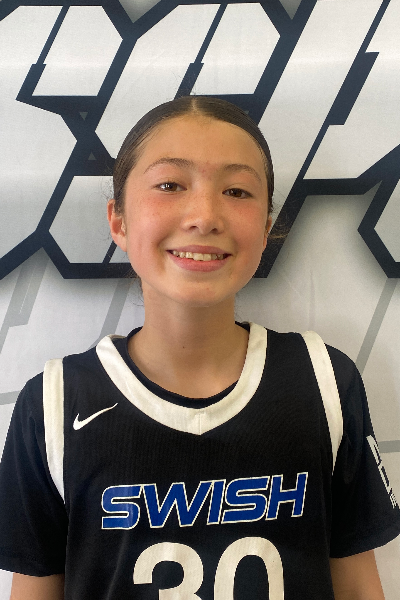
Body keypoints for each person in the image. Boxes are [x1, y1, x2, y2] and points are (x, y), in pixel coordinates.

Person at [0, 96, 399, 600]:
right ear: (119, 220)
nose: (205, 215)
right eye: (170, 185)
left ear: (267, 228)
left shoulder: (324, 382)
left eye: (237, 191)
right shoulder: (54, 403)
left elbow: (359, 585)